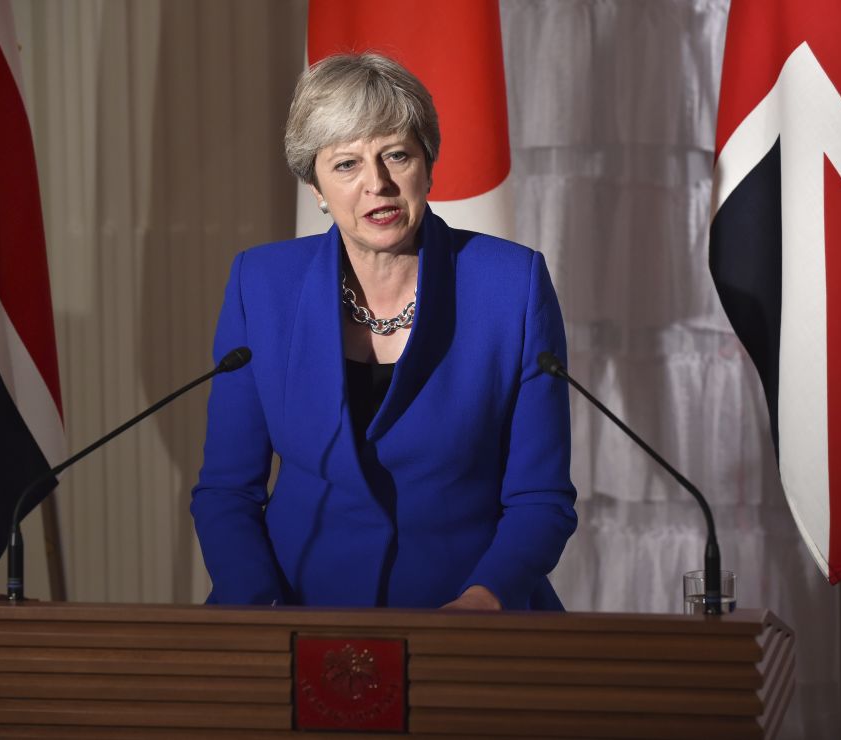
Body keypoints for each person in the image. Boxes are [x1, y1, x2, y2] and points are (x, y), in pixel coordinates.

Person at [191, 53, 576, 610]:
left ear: (428, 166)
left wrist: (482, 602)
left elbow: (541, 498)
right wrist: (258, 610)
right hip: (291, 616)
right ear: (316, 186)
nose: (377, 183)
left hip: (473, 621)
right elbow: (227, 490)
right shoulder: (263, 284)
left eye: (397, 154)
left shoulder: (511, 285)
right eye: (346, 164)